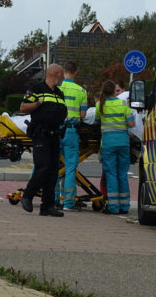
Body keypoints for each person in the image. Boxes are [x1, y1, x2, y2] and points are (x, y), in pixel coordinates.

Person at [18, 64, 67, 217]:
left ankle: (47, 206)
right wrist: (39, 104)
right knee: (43, 167)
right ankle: (27, 196)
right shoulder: (37, 89)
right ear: (57, 74)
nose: (63, 78)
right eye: (62, 75)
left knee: (53, 171)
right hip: (41, 134)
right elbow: (23, 107)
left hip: (55, 135)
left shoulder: (59, 93)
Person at [96, 80, 135, 214]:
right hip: (123, 142)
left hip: (108, 143)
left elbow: (96, 119)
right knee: (122, 174)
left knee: (111, 174)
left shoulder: (100, 105)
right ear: (114, 91)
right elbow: (131, 124)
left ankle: (113, 206)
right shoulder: (124, 104)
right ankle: (125, 206)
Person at [57, 61, 88, 211]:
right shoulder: (81, 91)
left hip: (56, 130)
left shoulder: (56, 88)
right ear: (76, 72)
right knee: (70, 168)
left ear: (63, 72)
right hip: (71, 131)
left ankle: (54, 199)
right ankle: (68, 203)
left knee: (54, 166)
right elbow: (83, 115)